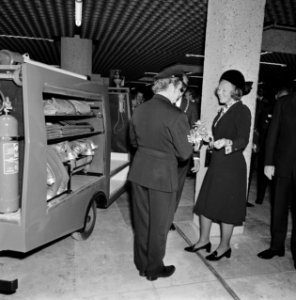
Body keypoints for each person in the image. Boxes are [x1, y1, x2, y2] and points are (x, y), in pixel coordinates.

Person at [128, 69, 194, 281]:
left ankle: (141, 265)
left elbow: (133, 142)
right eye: (181, 90)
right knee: (159, 226)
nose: (181, 95)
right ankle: (154, 268)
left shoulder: (139, 110)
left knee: (142, 223)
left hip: (139, 172)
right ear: (172, 85)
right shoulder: (177, 115)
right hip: (163, 177)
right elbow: (184, 154)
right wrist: (193, 142)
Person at [184, 69, 252, 261]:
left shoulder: (242, 110)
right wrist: (207, 138)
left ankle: (224, 246)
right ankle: (204, 240)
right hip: (218, 164)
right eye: (218, 88)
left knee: (226, 207)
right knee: (206, 202)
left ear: (235, 91)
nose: (218, 92)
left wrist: (228, 142)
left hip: (232, 167)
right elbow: (217, 139)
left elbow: (243, 140)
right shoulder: (223, 111)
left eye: (223, 88)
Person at [257, 87, 296, 269]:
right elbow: (272, 134)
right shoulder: (284, 103)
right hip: (283, 164)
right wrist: (268, 162)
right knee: (278, 207)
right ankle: (276, 246)